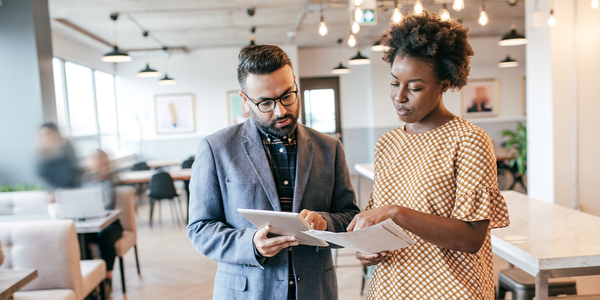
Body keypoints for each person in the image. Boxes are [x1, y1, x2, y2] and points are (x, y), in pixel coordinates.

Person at [347, 12, 510, 300]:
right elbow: (378, 224)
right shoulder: (388, 143)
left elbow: (471, 238)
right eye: (395, 83)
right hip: (391, 289)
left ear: (445, 84)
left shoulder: (469, 140)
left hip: (452, 291)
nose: (400, 96)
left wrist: (396, 212)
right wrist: (366, 249)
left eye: (415, 87)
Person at [187, 45, 359, 300]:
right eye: (265, 102)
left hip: (316, 290)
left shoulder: (330, 148)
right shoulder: (216, 148)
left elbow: (350, 217)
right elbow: (200, 228)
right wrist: (251, 244)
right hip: (247, 292)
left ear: (295, 84)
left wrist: (326, 223)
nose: (280, 111)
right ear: (245, 100)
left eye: (287, 95)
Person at [82, 149, 123, 295]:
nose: (93, 162)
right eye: (91, 159)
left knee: (104, 237)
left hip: (111, 224)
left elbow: (109, 203)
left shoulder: (110, 179)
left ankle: (107, 277)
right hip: (90, 223)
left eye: (96, 159)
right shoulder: (85, 180)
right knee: (80, 239)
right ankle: (90, 278)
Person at [37, 122, 81, 192]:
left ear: (56, 133)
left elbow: (73, 169)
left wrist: (61, 190)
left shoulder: (66, 146)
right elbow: (41, 175)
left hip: (70, 188)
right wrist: (53, 190)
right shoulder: (39, 153)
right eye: (42, 135)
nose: (45, 138)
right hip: (52, 191)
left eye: (48, 134)